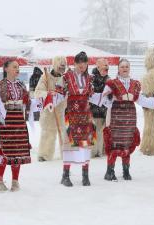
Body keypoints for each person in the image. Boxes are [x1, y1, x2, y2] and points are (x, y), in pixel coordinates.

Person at [102, 59, 154, 181]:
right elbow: (104, 101)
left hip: (130, 115)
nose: (124, 68)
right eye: (122, 66)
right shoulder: (111, 83)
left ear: (129, 68)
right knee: (114, 143)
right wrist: (111, 97)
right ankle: (109, 171)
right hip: (116, 115)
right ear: (118, 68)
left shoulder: (136, 84)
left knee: (127, 142)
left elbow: (141, 100)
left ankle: (126, 171)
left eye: (127, 66)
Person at [0, 59, 31, 192]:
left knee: (17, 151)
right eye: (14, 67)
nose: (17, 69)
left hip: (18, 120)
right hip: (5, 122)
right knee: (3, 151)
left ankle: (15, 181)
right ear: (6, 69)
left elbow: (27, 103)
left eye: (18, 67)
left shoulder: (22, 85)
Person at [60, 51, 95, 187]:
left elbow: (92, 96)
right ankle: (65, 175)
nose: (82, 65)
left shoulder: (89, 79)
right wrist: (50, 100)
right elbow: (59, 93)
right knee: (70, 144)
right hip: (72, 114)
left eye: (85, 62)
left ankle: (85, 175)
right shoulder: (66, 77)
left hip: (86, 115)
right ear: (74, 63)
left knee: (85, 145)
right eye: (79, 62)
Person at [34, 57, 67, 161]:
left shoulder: (66, 78)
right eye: (60, 65)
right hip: (48, 111)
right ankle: (44, 154)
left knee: (63, 132)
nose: (62, 67)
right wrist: (48, 95)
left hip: (61, 111)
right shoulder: (45, 77)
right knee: (48, 132)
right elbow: (37, 92)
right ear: (55, 64)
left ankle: (66, 154)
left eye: (64, 65)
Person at [89, 58, 110, 158]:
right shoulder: (91, 79)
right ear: (98, 67)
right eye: (104, 65)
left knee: (102, 131)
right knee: (95, 131)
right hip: (94, 111)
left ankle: (102, 150)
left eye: (107, 65)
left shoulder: (108, 79)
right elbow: (91, 94)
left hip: (105, 111)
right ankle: (94, 152)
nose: (106, 67)